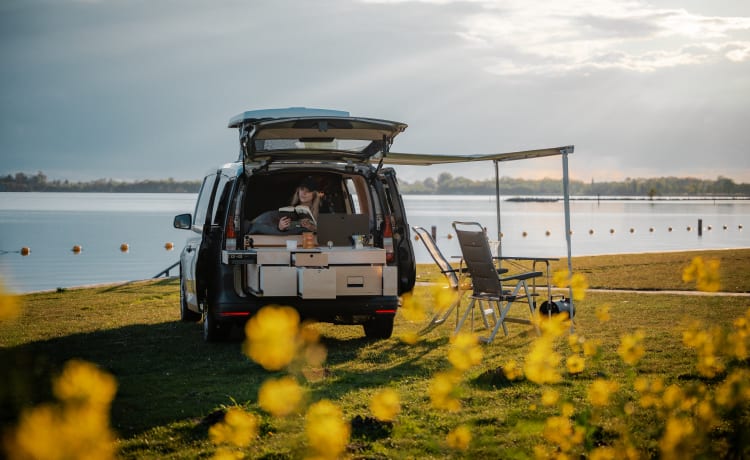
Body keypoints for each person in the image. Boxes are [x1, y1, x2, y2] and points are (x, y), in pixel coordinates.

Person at [247, 177, 320, 235]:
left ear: (315, 194)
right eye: (302, 189)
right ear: (298, 190)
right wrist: (280, 227)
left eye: (308, 191)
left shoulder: (322, 210)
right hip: (288, 240)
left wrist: (312, 228)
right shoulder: (289, 207)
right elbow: (285, 227)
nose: (303, 193)